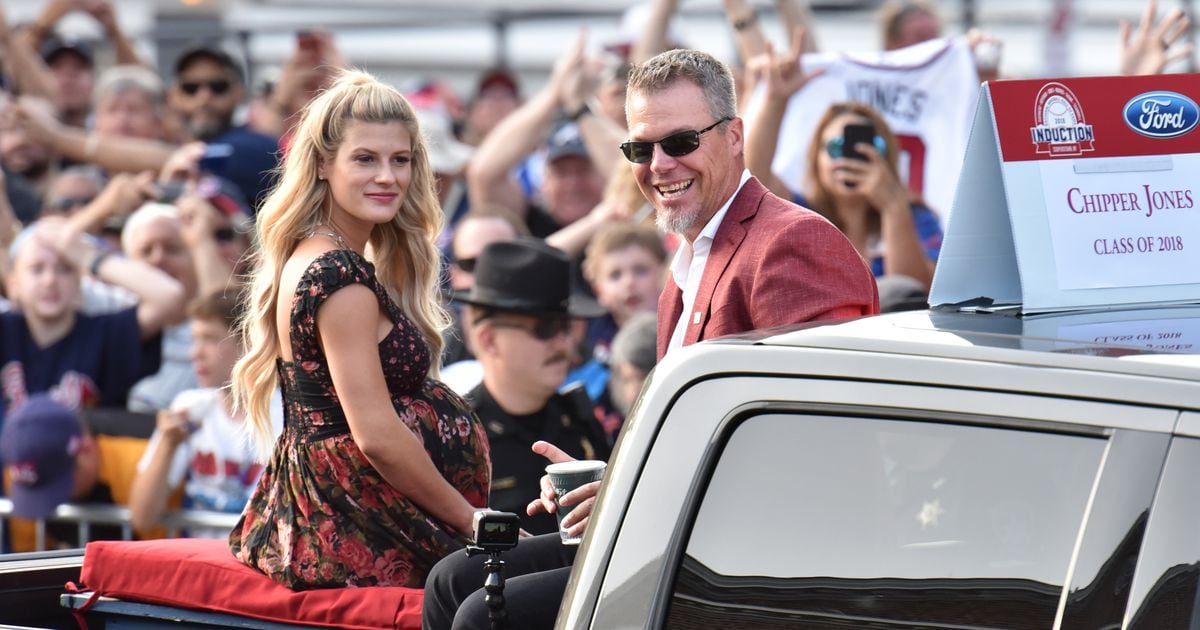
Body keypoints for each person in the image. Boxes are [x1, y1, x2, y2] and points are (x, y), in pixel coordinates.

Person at [228, 70, 490, 589]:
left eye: (401, 160)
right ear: (323, 164)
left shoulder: (330, 255)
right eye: (365, 159)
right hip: (352, 521)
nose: (388, 177)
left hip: (346, 509)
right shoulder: (337, 275)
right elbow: (375, 436)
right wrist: (471, 522)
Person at [621, 49, 877, 359]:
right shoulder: (686, 263)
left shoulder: (793, 242)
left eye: (681, 142)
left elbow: (825, 399)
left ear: (734, 137)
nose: (659, 164)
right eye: (640, 149)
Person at [744, 37, 942, 294]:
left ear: (889, 157)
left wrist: (894, 209)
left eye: (871, 148)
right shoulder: (799, 213)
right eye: (836, 148)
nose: (848, 159)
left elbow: (913, 293)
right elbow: (751, 178)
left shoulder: (916, 218)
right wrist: (775, 100)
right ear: (816, 159)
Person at [452, 238, 610, 535]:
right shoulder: (460, 435)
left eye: (566, 328)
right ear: (489, 339)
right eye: (545, 329)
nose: (562, 343)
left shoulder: (580, 420)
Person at [128, 291, 281, 538]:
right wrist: (168, 444)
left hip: (252, 570)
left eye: (209, 339)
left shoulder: (287, 415)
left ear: (248, 343)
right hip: (198, 568)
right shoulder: (189, 407)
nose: (194, 353)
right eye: (194, 340)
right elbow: (142, 517)